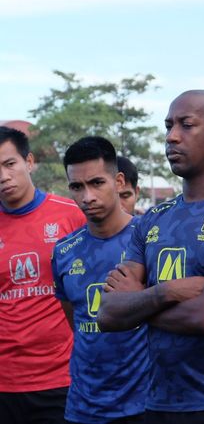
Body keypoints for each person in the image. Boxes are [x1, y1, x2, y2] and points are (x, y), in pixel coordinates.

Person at [97, 90, 204, 424]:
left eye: (186, 125)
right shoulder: (152, 219)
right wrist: (166, 292)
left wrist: (137, 306)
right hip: (159, 403)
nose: (171, 137)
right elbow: (107, 314)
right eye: (168, 126)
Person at [52, 137, 149, 423]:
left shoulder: (150, 238)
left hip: (146, 404)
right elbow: (77, 322)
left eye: (96, 183)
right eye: (77, 187)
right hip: (84, 407)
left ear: (119, 181)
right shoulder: (64, 251)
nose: (87, 197)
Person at [0, 126, 86, 423]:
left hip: (61, 378)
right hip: (4, 382)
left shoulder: (71, 215)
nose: (3, 176)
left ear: (29, 162)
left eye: (9, 164)